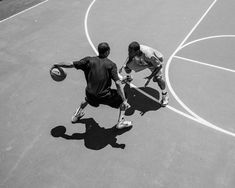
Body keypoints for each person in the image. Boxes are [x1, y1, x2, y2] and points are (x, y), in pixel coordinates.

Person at [52, 42, 132, 129]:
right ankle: (120, 122)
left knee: (87, 98)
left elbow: (71, 64)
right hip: (104, 96)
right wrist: (124, 100)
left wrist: (57, 64)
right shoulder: (111, 65)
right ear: (108, 52)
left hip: (90, 94)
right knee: (124, 96)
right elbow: (117, 83)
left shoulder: (88, 60)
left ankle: (76, 115)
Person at [119, 41, 169, 107]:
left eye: (131, 51)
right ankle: (129, 78)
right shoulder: (134, 51)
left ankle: (165, 95)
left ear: (137, 51)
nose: (129, 53)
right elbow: (129, 57)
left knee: (158, 79)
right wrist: (124, 66)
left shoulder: (149, 54)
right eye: (129, 51)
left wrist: (150, 77)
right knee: (127, 68)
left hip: (154, 64)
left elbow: (159, 66)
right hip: (144, 62)